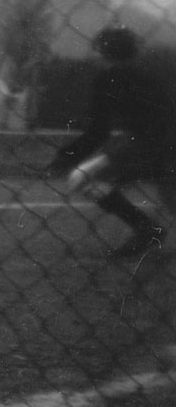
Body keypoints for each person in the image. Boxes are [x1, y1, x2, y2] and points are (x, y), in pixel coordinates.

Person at [47, 26, 176, 258]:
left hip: (147, 143)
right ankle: (148, 229)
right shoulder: (148, 71)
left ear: (106, 50)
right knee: (170, 197)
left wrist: (65, 156)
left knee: (81, 178)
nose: (94, 55)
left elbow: (99, 131)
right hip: (165, 141)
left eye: (97, 49)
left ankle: (146, 228)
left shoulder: (107, 78)